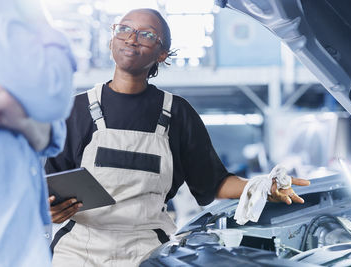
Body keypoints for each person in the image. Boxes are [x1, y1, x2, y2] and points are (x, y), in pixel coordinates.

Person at [45, 8, 309, 266]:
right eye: (124, 29)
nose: (131, 38)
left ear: (162, 54)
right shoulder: (75, 110)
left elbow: (213, 182)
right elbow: (48, 186)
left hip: (146, 250)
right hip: (79, 250)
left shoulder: (177, 114)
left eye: (146, 34)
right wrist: (50, 209)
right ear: (112, 39)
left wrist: (263, 188)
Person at [0, 0, 76, 266]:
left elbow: (54, 132)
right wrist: (40, 20)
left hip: (24, 238)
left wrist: (26, 122)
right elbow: (51, 97)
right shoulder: (12, 14)